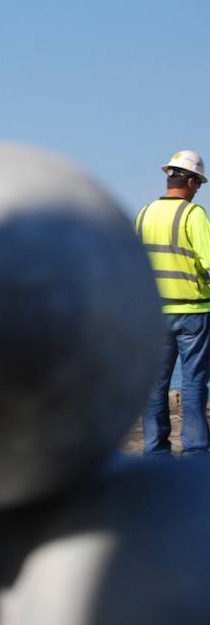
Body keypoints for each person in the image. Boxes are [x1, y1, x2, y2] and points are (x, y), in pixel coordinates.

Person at [136, 150, 210, 456]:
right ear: (191, 182)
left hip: (153, 314)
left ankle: (155, 452)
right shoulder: (193, 216)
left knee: (154, 385)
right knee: (194, 385)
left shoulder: (144, 213)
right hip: (192, 312)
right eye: (199, 185)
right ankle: (195, 453)